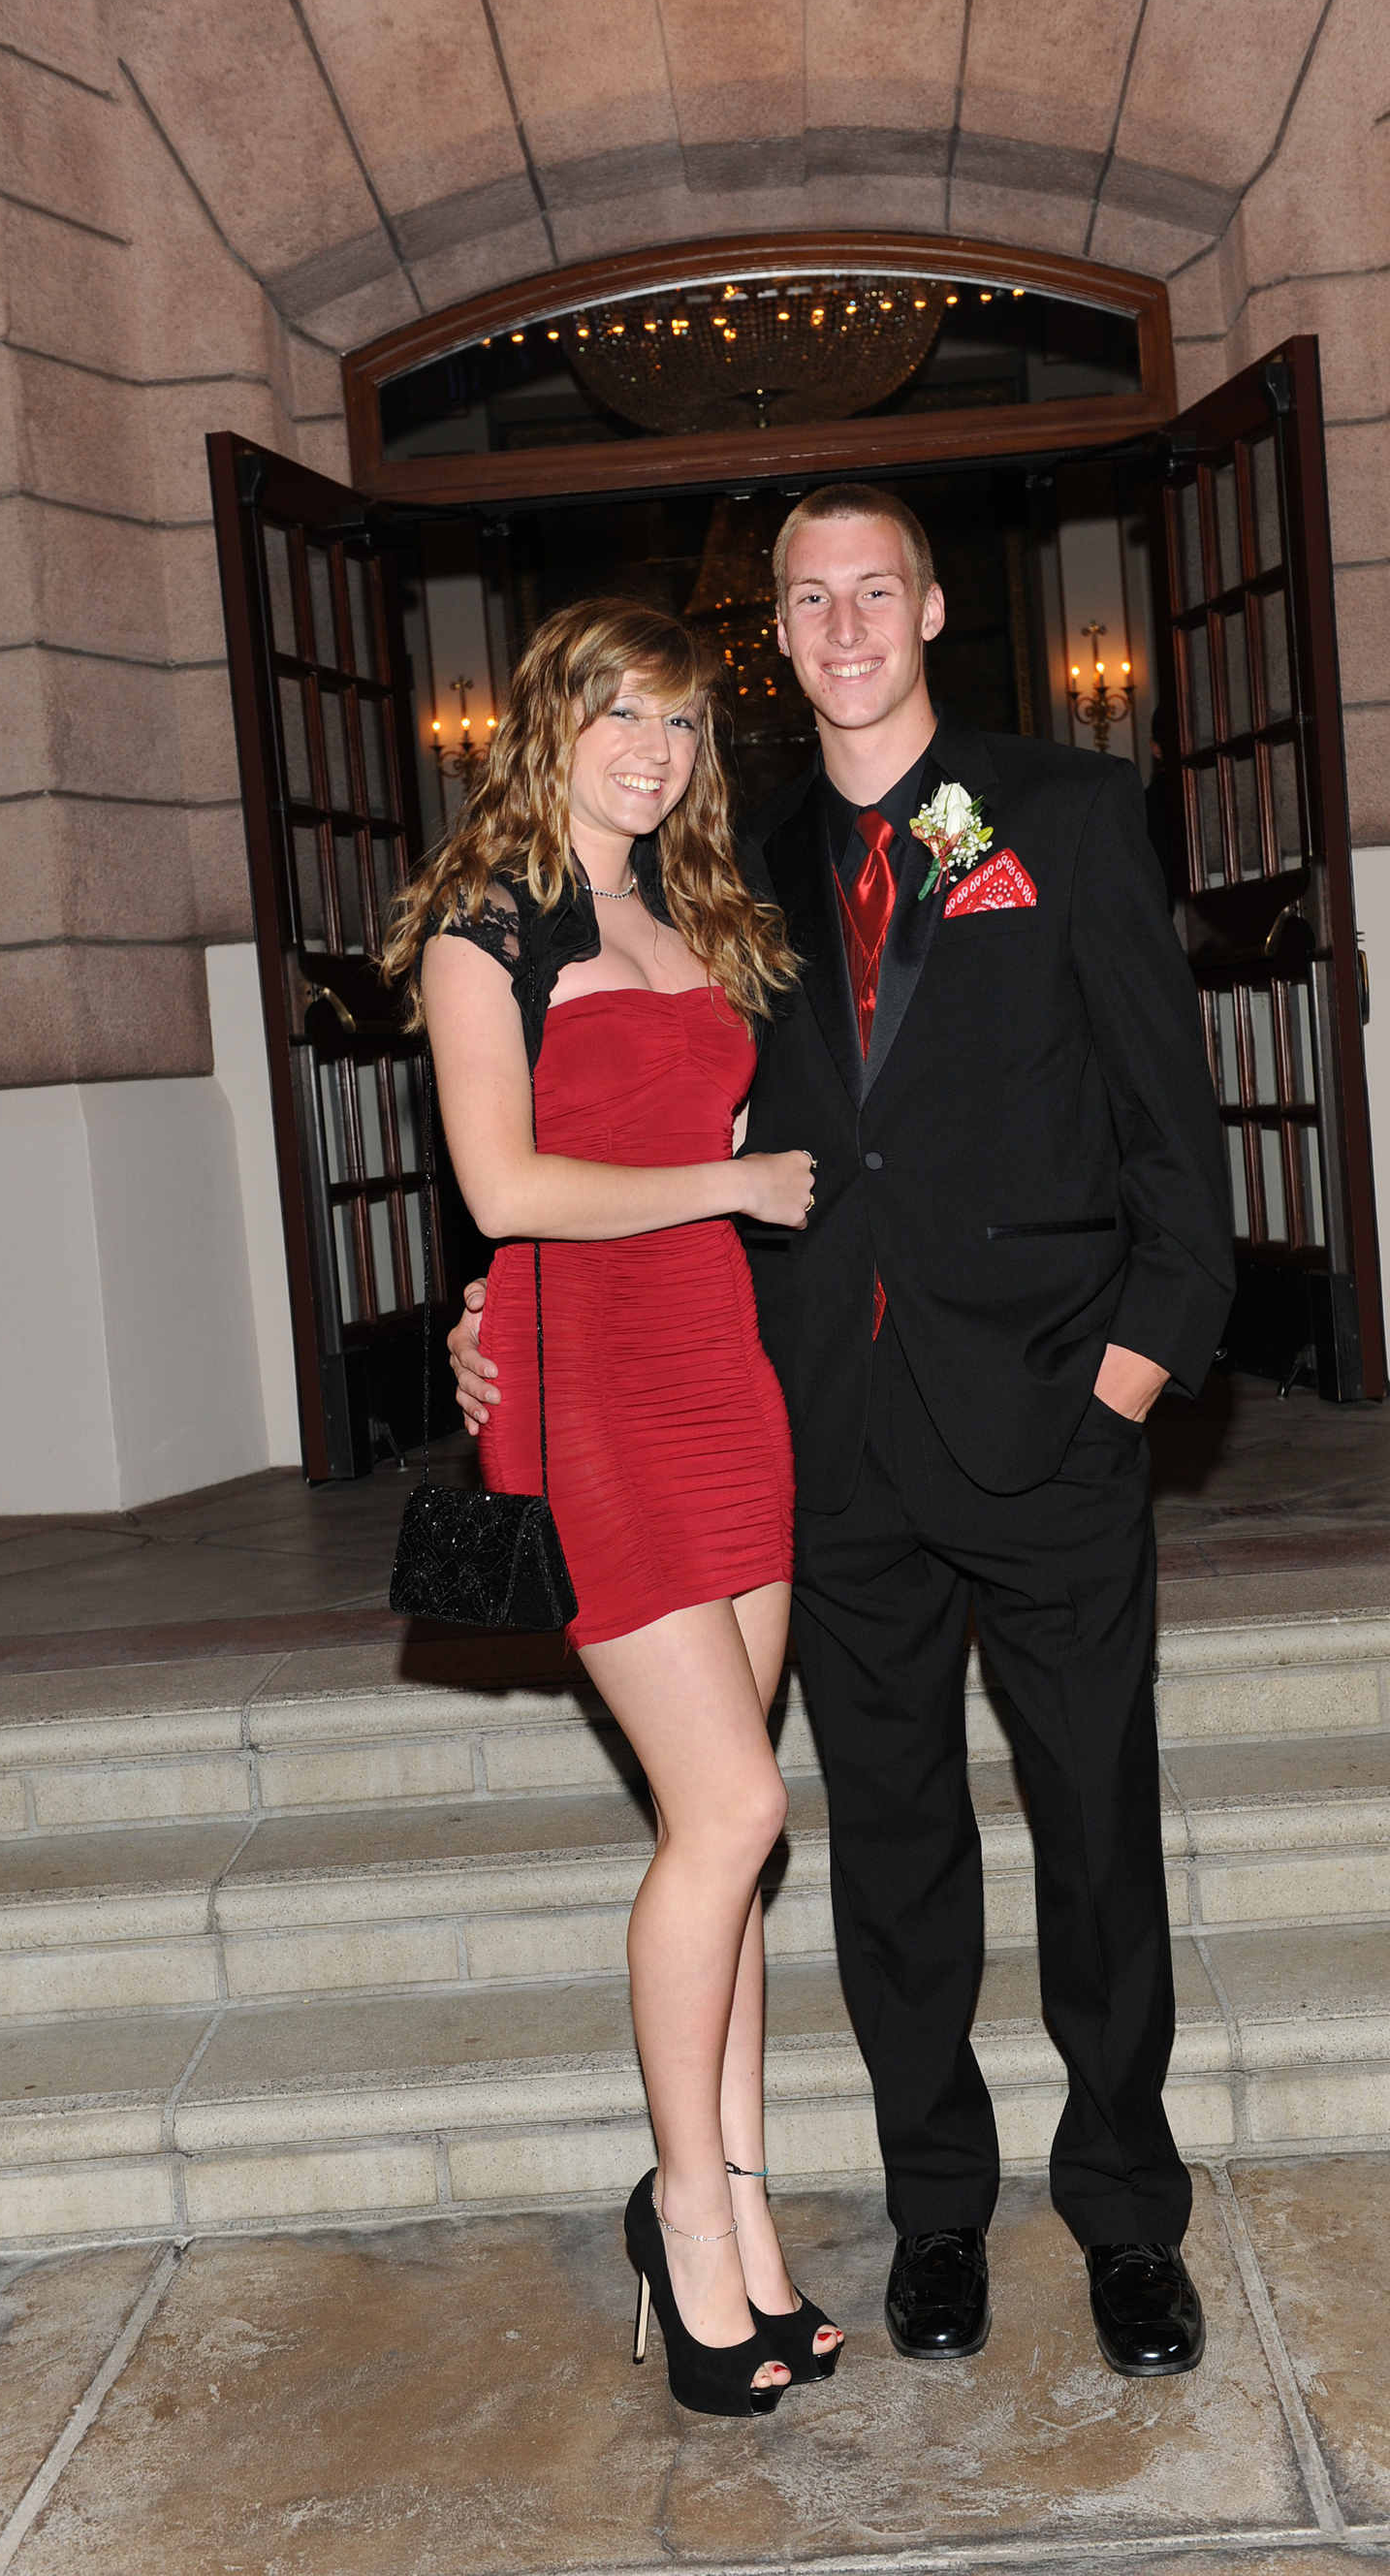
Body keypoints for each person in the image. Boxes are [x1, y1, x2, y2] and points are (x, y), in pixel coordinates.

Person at [451, 493, 1234, 2381]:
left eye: (876, 588)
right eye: (811, 599)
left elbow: (1166, 1117)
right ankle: (937, 2204)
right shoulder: (737, 874)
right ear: (782, 641)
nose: (847, 622)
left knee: (1096, 1831)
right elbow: (634, 1127)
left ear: (934, 609)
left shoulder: (1049, 817)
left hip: (1052, 1410)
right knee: (887, 1844)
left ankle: (1128, 2215)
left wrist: (1137, 1368)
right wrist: (497, 1309)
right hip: (827, 1436)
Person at [381, 598, 842, 2417]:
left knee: (720, 1838)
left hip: (724, 1378)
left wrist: (725, 1191)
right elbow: (503, 1190)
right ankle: (683, 2217)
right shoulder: (484, 926)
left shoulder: (693, 910)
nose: (651, 752)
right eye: (619, 715)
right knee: (736, 1809)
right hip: (592, 1396)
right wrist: (724, 1182)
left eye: (679, 722)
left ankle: (742, 2209)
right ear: (550, 723)